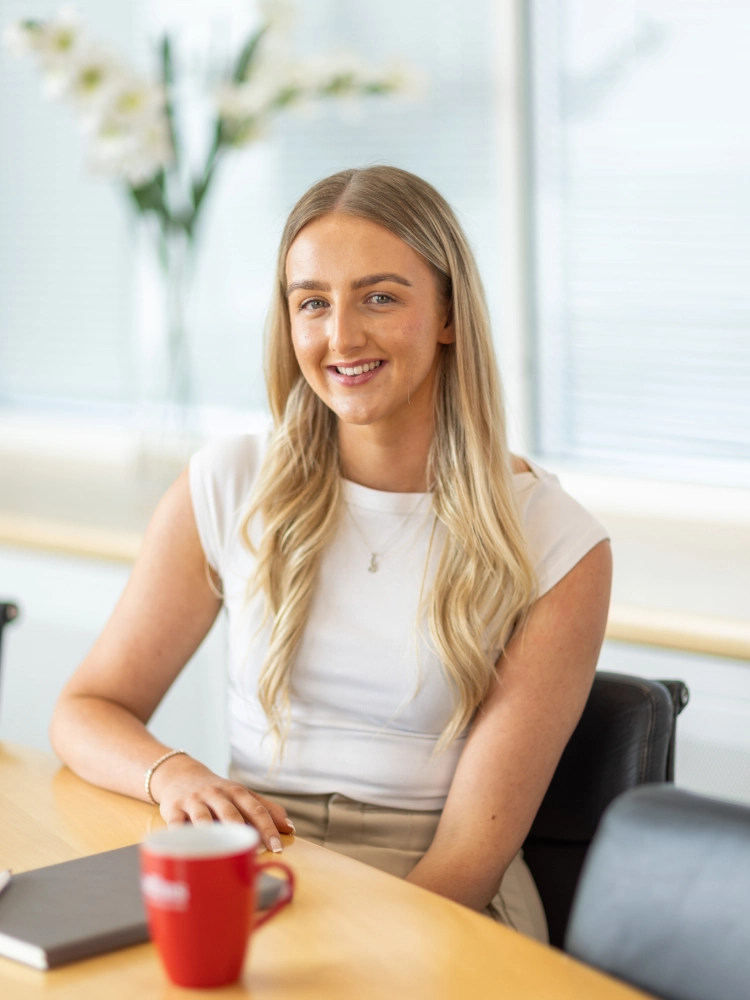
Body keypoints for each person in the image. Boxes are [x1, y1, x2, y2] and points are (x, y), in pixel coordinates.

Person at [50, 166, 611, 942]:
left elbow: (468, 860)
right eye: (312, 302)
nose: (340, 337)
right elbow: (86, 710)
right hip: (261, 880)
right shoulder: (227, 484)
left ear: (449, 314)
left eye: (379, 298)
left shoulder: (557, 542)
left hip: (439, 909)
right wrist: (173, 774)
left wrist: (327, 961)